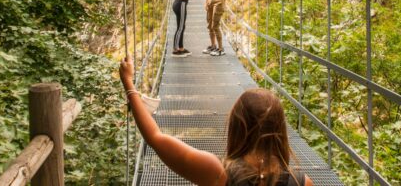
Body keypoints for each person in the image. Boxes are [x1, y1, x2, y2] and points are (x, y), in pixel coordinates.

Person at [119, 57, 314, 186]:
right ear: (280, 129)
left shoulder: (217, 172)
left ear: (237, 125)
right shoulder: (302, 182)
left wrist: (128, 82)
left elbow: (155, 137)